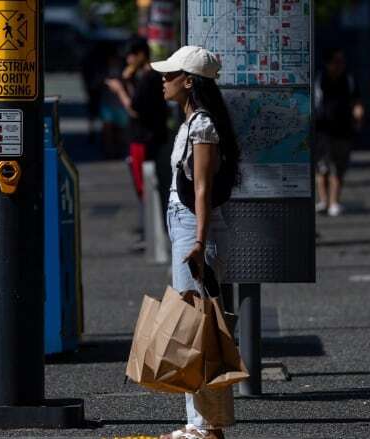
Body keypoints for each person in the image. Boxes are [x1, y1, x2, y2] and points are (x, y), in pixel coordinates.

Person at [150, 45, 241, 439]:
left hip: (195, 229)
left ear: (189, 81)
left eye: (170, 75)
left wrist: (199, 244)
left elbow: (202, 190)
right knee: (195, 328)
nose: (163, 80)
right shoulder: (191, 122)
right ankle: (204, 424)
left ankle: (203, 426)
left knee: (197, 330)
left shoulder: (203, 125)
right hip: (186, 226)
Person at [105, 37, 169, 202]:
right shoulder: (149, 77)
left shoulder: (149, 78)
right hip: (151, 137)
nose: (129, 60)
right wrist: (128, 81)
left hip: (143, 138)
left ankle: (153, 222)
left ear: (141, 54)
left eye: (131, 55)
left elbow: (134, 109)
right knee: (148, 186)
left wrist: (120, 90)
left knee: (144, 187)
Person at [313, 48, 363, 216]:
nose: (340, 65)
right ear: (328, 63)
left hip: (343, 129)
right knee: (321, 168)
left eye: (341, 61)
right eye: (336, 61)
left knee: (338, 167)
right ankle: (324, 201)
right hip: (321, 130)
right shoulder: (319, 80)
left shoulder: (348, 79)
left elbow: (357, 99)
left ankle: (334, 202)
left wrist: (358, 114)